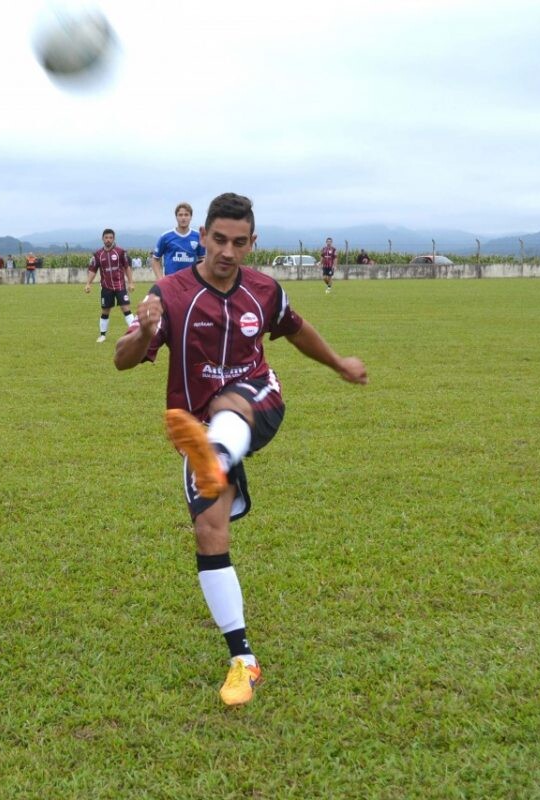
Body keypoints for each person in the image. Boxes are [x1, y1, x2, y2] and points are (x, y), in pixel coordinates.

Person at [113, 193, 367, 706]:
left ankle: (218, 458)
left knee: (232, 404)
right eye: (220, 239)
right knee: (209, 531)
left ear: (253, 243)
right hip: (198, 422)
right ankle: (244, 660)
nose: (228, 251)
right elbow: (123, 360)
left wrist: (338, 363)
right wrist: (144, 331)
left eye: (240, 242)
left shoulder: (265, 290)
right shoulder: (170, 293)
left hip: (259, 400)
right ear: (202, 236)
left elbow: (297, 332)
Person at [84, 228, 135, 343]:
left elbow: (127, 267)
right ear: (102, 239)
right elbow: (93, 270)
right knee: (105, 310)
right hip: (106, 287)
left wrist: (131, 282)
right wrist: (88, 283)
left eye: (110, 238)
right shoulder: (98, 254)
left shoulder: (121, 252)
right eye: (106, 238)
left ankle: (135, 333)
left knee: (125, 308)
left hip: (120, 286)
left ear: (114, 239)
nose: (108, 240)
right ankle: (102, 335)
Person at [149, 202, 205, 280]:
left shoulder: (197, 236)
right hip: (171, 282)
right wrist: (160, 279)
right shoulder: (166, 237)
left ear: (191, 217)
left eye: (186, 215)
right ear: (176, 217)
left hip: (191, 282)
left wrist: (201, 278)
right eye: (180, 215)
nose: (183, 218)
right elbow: (155, 259)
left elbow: (202, 259)